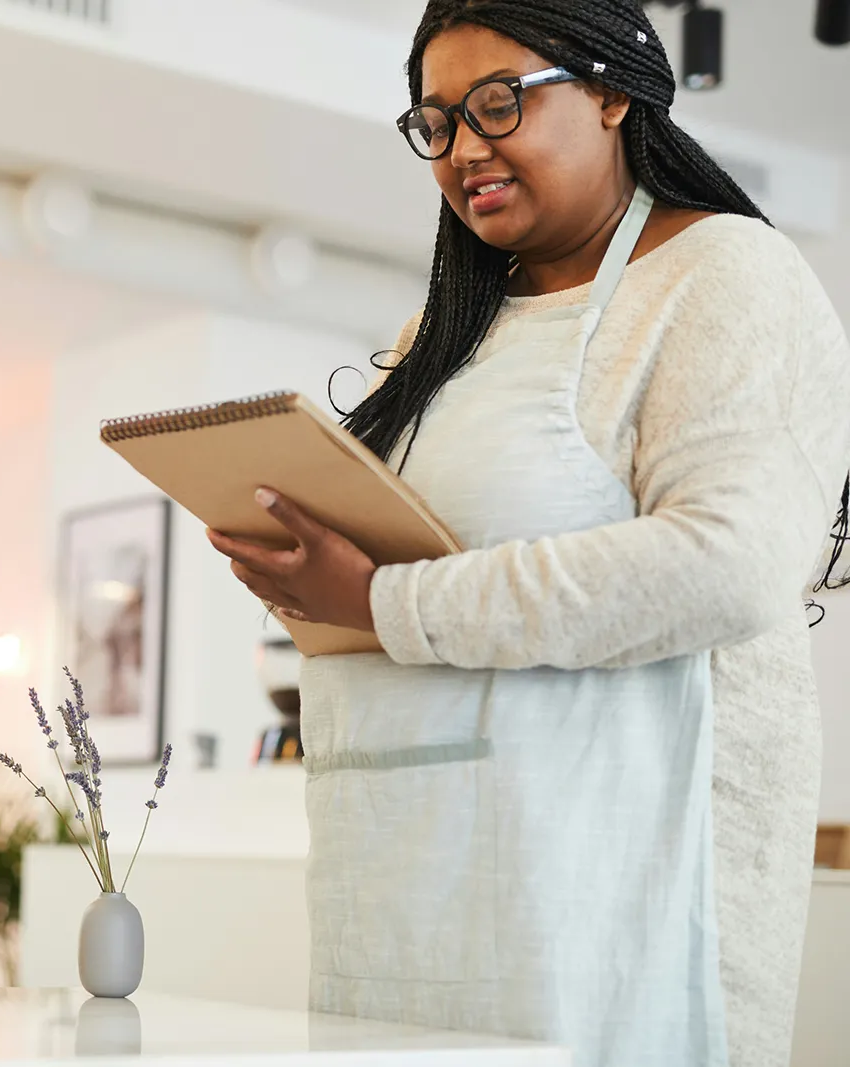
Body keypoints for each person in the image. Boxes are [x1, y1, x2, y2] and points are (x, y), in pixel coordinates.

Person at [207, 2, 850, 1066]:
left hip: (618, 911)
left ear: (609, 92)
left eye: (497, 103)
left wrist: (376, 601)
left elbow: (729, 568)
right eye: (436, 122)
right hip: (414, 886)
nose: (463, 150)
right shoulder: (442, 332)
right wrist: (303, 569)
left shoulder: (724, 275)